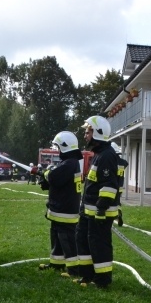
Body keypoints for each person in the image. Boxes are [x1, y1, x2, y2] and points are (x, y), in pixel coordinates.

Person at [75, 115, 119, 287]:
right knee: (83, 240)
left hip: (99, 213)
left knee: (99, 245)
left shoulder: (107, 156)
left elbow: (109, 185)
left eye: (88, 132)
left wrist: (101, 208)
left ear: (98, 133)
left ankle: (102, 280)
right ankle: (87, 275)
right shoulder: (98, 154)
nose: (85, 135)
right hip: (88, 211)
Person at [38, 131, 83, 275]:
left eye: (58, 147)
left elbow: (53, 177)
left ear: (65, 146)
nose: (57, 150)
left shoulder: (69, 163)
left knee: (67, 240)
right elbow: (60, 182)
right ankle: (56, 264)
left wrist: (44, 173)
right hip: (61, 208)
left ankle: (74, 270)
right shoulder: (70, 163)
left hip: (65, 210)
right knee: (57, 237)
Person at [111, 142, 129, 226]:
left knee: (111, 202)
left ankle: (113, 216)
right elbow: (126, 163)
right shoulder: (122, 162)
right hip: (120, 187)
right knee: (117, 201)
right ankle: (119, 213)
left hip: (112, 186)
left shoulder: (111, 162)